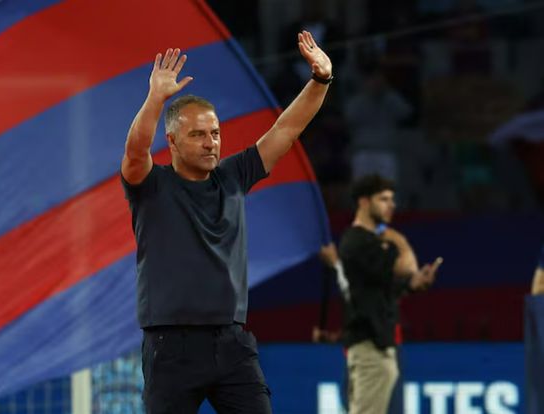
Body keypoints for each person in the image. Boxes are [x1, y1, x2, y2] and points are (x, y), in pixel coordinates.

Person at [120, 31, 333, 414]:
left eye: (215, 134)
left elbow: (286, 129)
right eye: (198, 135)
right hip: (171, 347)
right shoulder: (151, 186)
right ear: (172, 141)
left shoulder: (233, 176)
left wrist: (321, 79)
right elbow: (136, 152)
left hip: (232, 343)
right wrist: (155, 99)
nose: (211, 143)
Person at [339, 174, 442, 414]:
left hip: (377, 346)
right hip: (369, 346)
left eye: (392, 199)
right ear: (364, 202)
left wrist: (413, 284)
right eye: (383, 199)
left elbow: (385, 287)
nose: (391, 205)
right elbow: (407, 266)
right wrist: (398, 238)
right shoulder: (358, 241)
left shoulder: (370, 242)